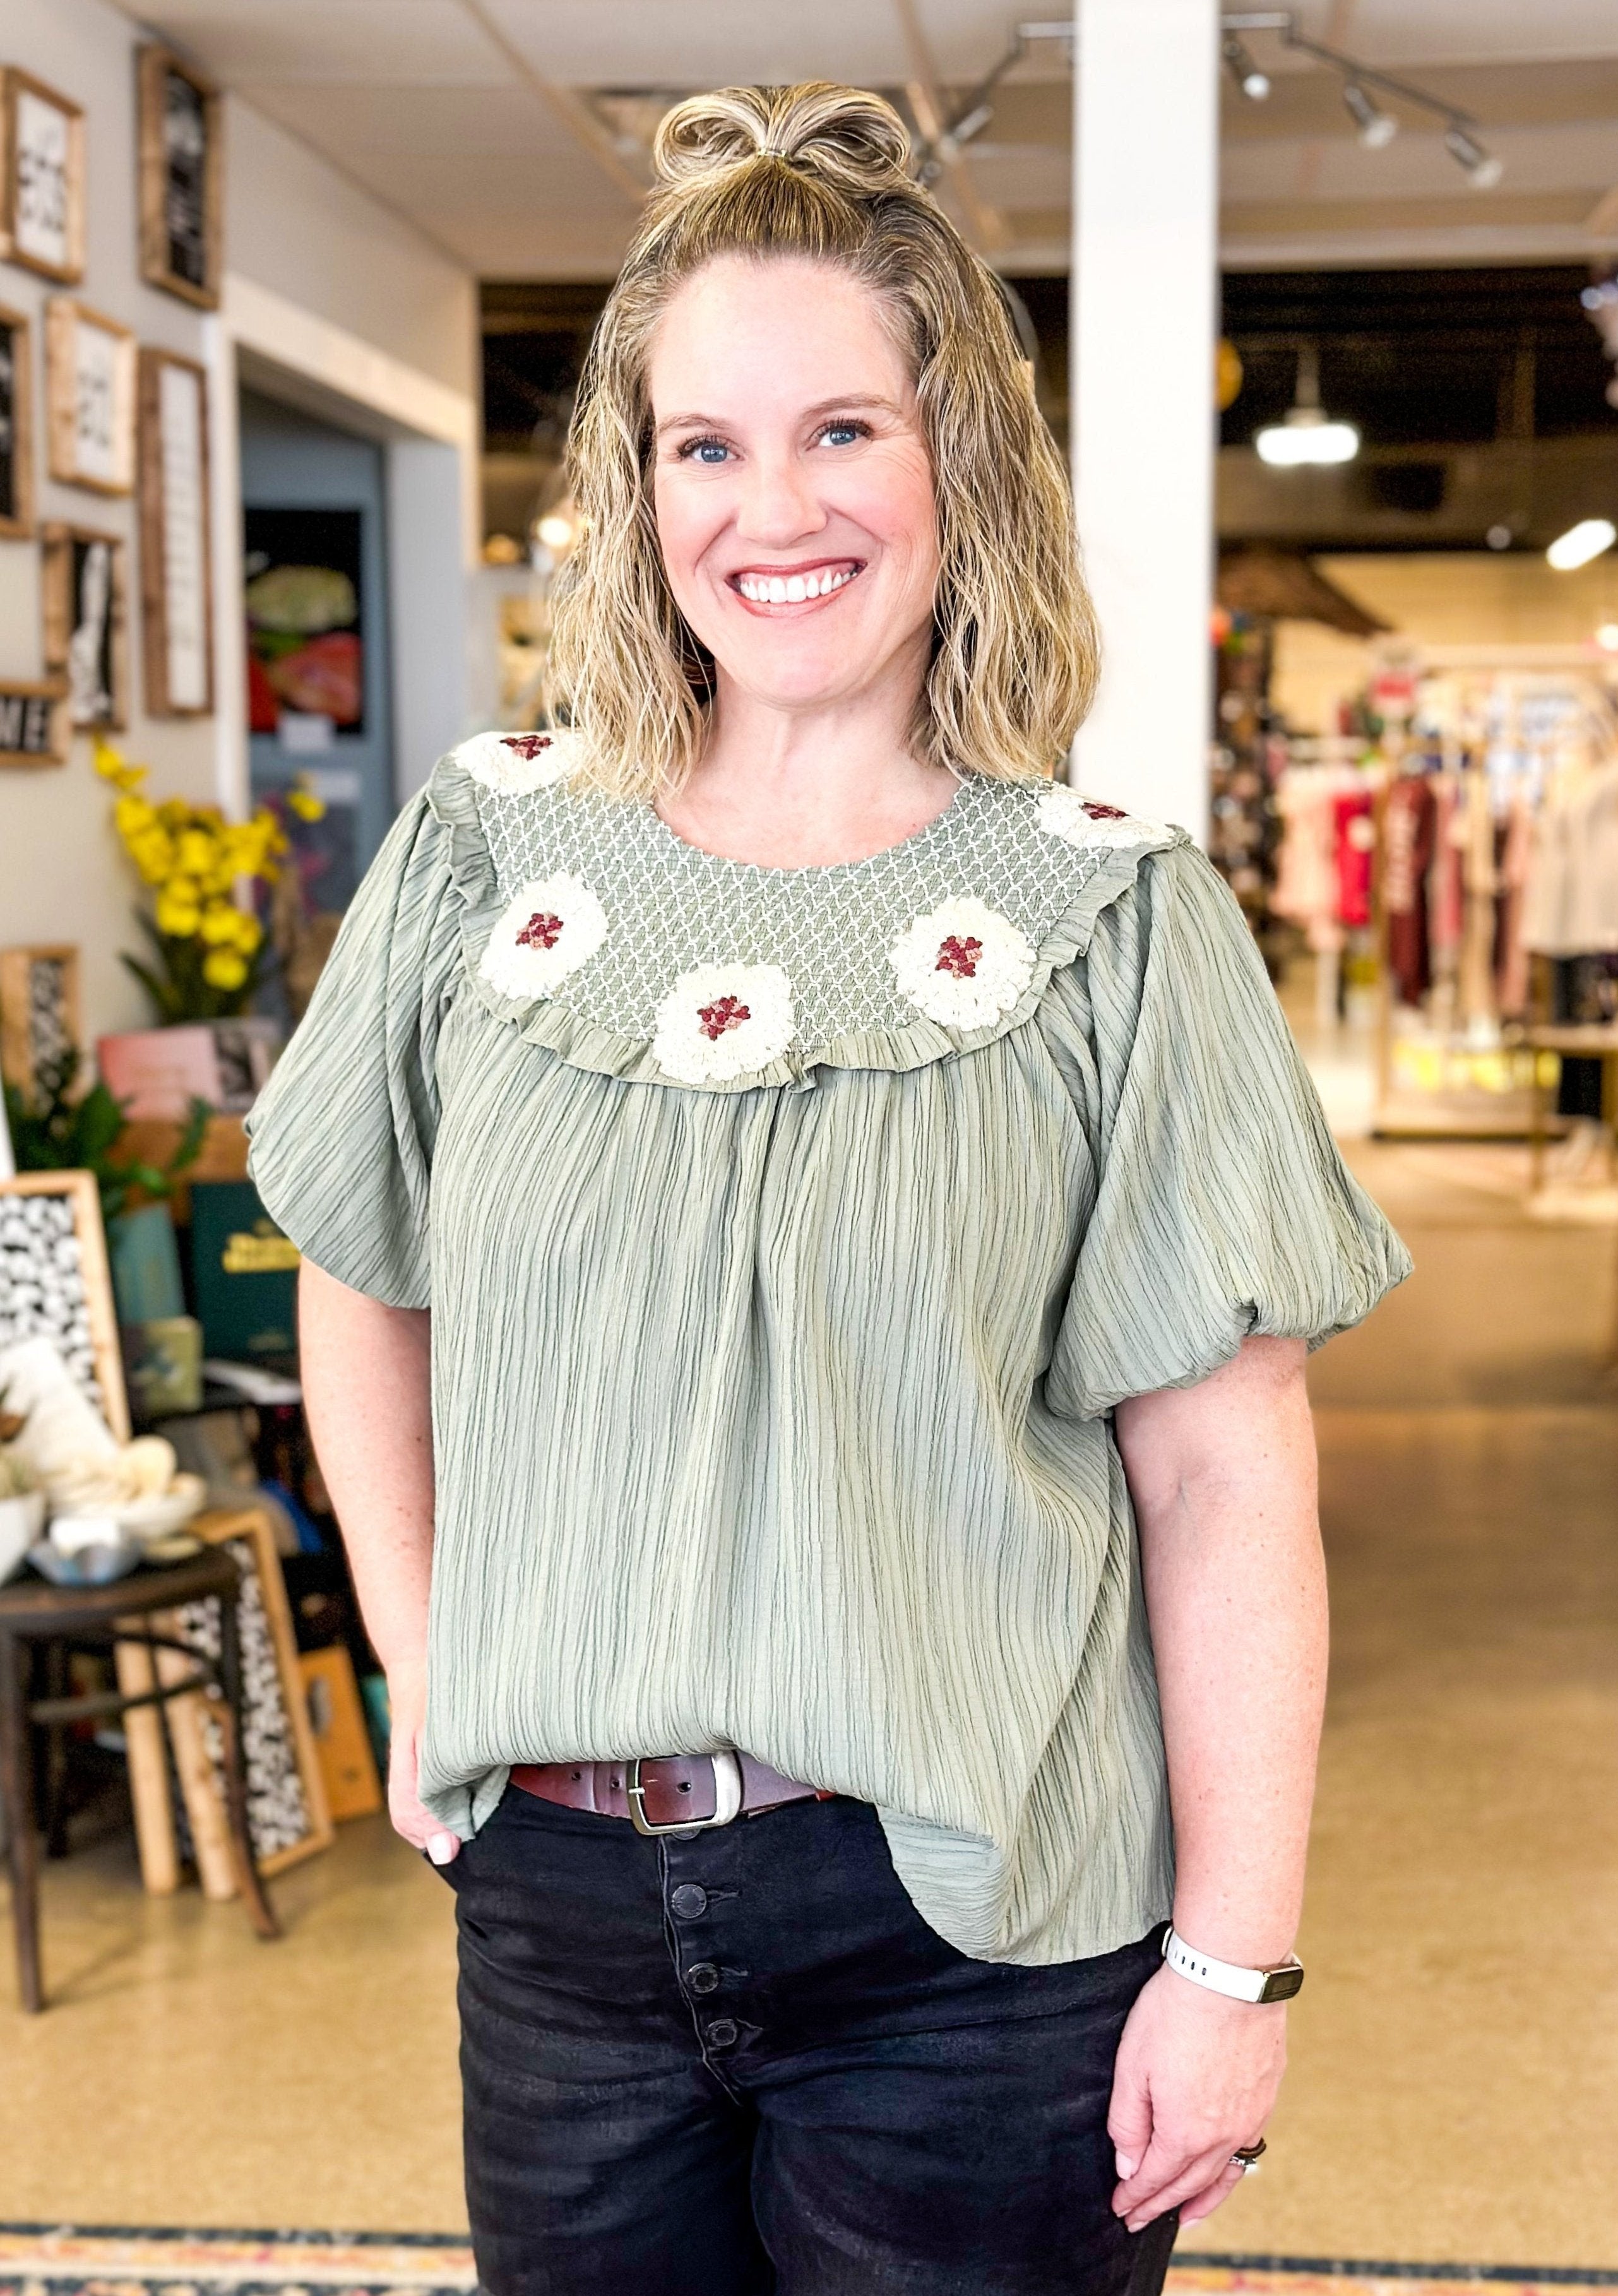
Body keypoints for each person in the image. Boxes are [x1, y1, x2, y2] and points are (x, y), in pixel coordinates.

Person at [246, 81, 1410, 2296]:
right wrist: (417, 1655)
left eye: (844, 431)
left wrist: (1237, 1969)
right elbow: (355, 1270)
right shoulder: (485, 861)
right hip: (565, 1940)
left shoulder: (1107, 920)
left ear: (958, 460)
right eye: (707, 445)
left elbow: (1230, 1481)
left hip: (977, 1946)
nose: (770, 507)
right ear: (638, 485)